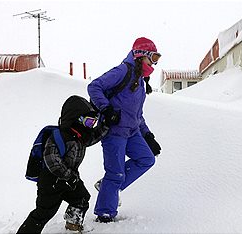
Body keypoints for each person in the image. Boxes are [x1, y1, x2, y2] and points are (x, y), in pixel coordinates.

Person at [87, 37, 162, 223]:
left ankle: (107, 187)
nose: (154, 62)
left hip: (133, 131)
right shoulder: (123, 71)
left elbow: (137, 113)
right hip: (115, 132)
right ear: (141, 55)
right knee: (115, 173)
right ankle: (105, 213)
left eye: (157, 58)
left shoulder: (140, 80)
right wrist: (107, 108)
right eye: (153, 57)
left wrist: (148, 135)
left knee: (146, 159)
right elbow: (94, 86)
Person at [17, 95, 109, 233]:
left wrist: (106, 125)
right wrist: (68, 176)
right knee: (44, 213)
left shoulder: (81, 136)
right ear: (76, 118)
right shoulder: (59, 136)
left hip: (69, 179)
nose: (91, 126)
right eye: (89, 122)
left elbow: (94, 137)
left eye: (93, 122)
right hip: (51, 182)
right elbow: (51, 160)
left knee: (82, 198)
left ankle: (72, 226)